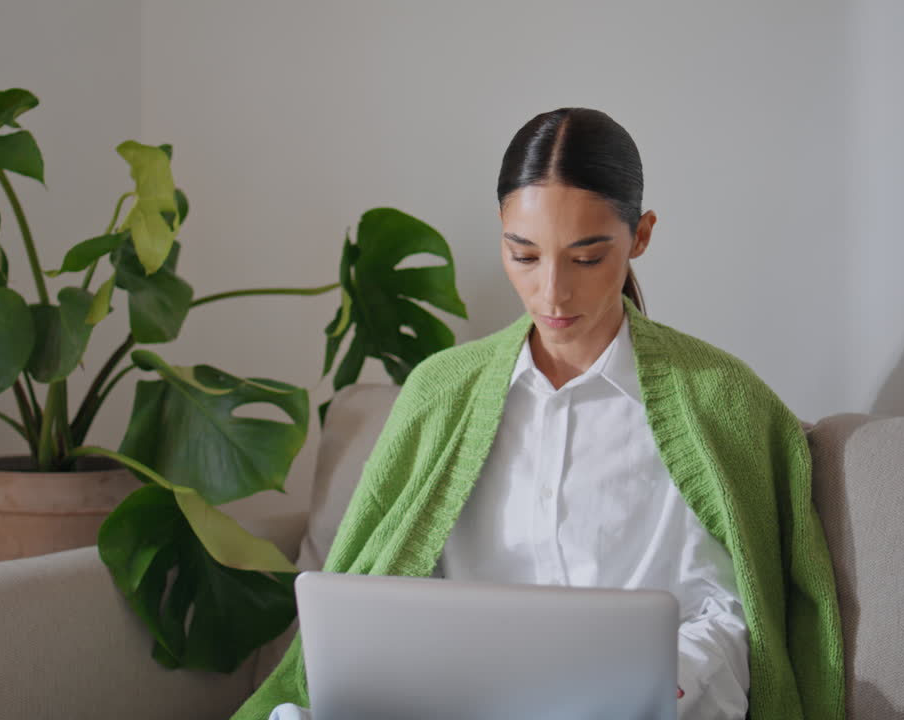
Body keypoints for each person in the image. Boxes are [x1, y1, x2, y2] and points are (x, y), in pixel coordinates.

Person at [231, 108, 845, 720]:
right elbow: (382, 589)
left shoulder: (718, 401)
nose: (552, 293)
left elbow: (736, 612)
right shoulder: (440, 393)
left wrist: (667, 680)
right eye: (524, 255)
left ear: (641, 235)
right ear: (501, 229)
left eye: (585, 258)